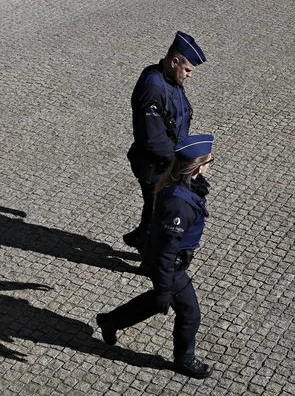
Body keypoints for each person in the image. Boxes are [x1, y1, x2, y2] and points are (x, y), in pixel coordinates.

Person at [97, 134, 215, 379]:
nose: (208, 167)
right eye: (209, 162)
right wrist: (163, 287)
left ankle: (111, 321)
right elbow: (166, 250)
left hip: (169, 262)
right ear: (198, 165)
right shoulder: (178, 205)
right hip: (171, 265)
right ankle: (184, 360)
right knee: (189, 313)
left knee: (157, 302)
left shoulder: (181, 184)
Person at [123, 31, 207, 256]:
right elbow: (153, 139)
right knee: (160, 214)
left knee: (157, 210)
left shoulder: (170, 78)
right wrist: (183, 164)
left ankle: (142, 237)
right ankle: (150, 257)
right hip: (156, 165)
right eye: (188, 70)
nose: (189, 76)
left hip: (169, 161)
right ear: (174, 61)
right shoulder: (153, 87)